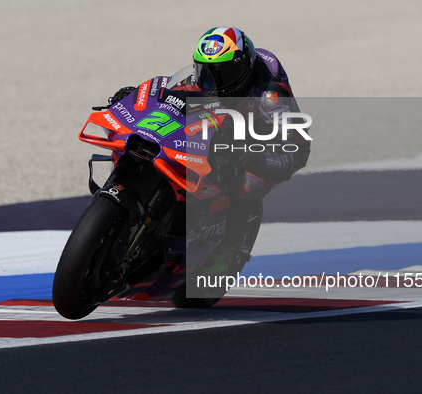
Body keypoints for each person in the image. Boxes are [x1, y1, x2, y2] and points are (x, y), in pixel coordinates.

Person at [110, 27, 311, 301]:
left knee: (246, 186)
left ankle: (225, 254)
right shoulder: (203, 80)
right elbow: (170, 94)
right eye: (205, 71)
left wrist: (251, 155)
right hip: (218, 125)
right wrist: (133, 98)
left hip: (256, 141)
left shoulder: (270, 97)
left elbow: (298, 150)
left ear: (242, 69)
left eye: (222, 73)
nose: (212, 80)